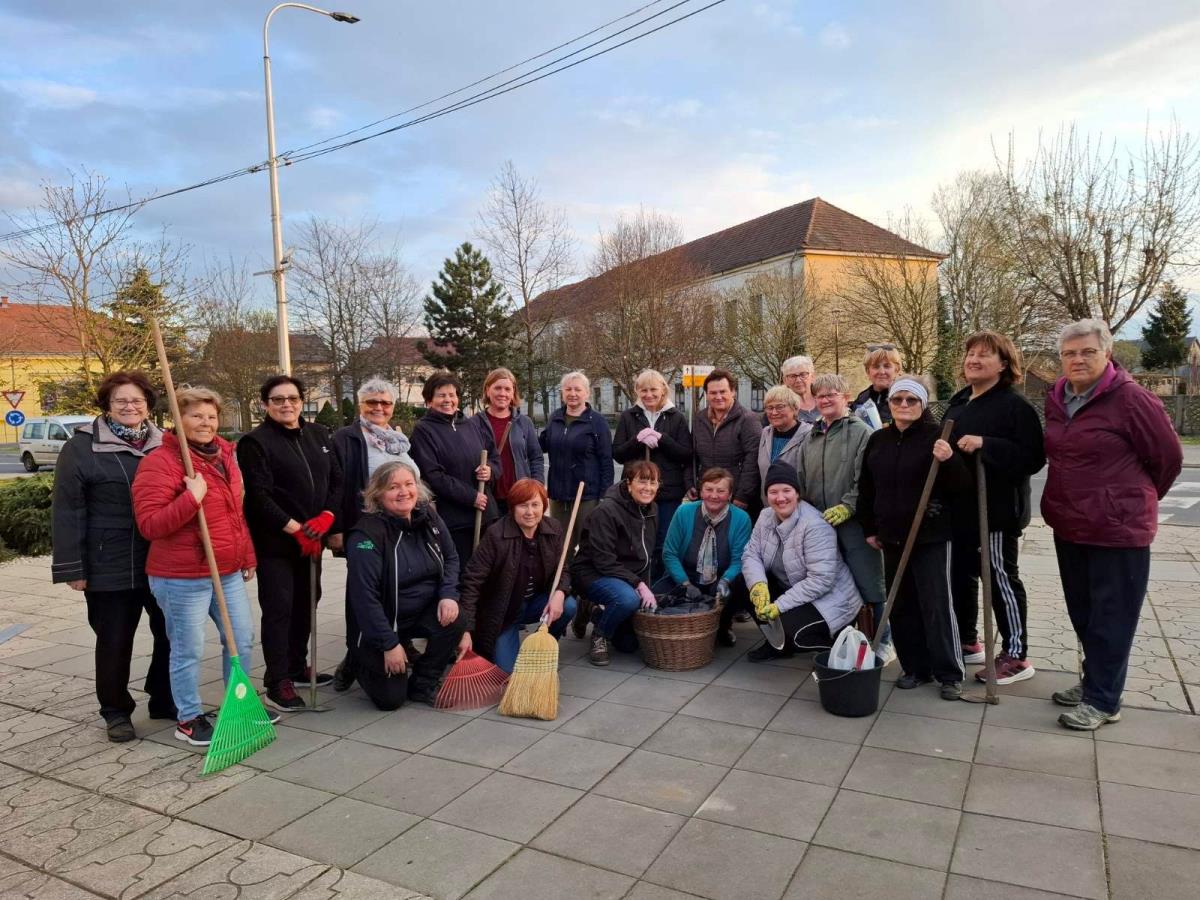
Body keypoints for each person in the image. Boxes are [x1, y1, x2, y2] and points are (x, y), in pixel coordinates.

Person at [1043, 319, 1182, 730]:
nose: (1078, 359)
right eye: (1070, 353)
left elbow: (1168, 458)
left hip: (1118, 529)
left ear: (1107, 352)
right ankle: (1094, 682)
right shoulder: (1058, 398)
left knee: (1112, 616)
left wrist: (1128, 500)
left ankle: (1105, 700)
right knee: (1083, 612)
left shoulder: (1132, 399)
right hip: (1070, 523)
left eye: (1087, 351)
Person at [51, 371, 173, 742]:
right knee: (114, 639)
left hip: (162, 557)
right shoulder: (81, 447)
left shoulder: (166, 444)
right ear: (106, 405)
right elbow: (68, 509)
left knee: (171, 632)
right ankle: (116, 710)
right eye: (120, 400)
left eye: (137, 400)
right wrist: (73, 567)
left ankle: (164, 696)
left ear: (148, 405)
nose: (129, 406)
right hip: (108, 561)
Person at [131, 387, 258, 746]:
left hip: (227, 569)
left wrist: (246, 554)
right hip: (182, 576)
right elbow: (150, 525)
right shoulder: (161, 462)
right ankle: (188, 717)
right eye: (196, 416)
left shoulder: (226, 455)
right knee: (188, 649)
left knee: (242, 641)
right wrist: (192, 498)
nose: (205, 423)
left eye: (211, 416)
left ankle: (239, 705)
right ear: (178, 419)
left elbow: (236, 513)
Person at [944, 331, 1045, 685]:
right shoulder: (960, 402)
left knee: (1000, 579)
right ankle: (969, 641)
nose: (973, 360)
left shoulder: (1014, 406)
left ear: (1004, 364)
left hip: (996, 512)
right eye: (970, 353)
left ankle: (1016, 655)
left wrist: (988, 444)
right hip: (960, 510)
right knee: (961, 576)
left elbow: (1033, 457)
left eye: (984, 355)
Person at [237, 375, 343, 713]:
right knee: (280, 608)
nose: (287, 404)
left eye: (292, 398)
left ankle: (298, 666)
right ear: (265, 404)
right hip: (277, 543)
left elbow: (337, 480)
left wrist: (327, 517)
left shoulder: (318, 435)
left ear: (301, 400)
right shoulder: (256, 442)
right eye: (278, 399)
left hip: (313, 539)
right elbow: (258, 495)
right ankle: (277, 680)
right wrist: (295, 528)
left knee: (308, 602)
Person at [858, 376, 967, 700]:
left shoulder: (939, 437)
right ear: (889, 404)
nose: (904, 405)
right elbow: (867, 487)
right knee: (901, 605)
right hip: (891, 536)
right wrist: (870, 528)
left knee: (936, 604)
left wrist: (949, 459)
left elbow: (961, 485)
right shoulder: (878, 440)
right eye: (897, 400)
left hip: (930, 536)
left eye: (911, 400)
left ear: (923, 404)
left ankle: (949, 672)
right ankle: (915, 667)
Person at [344, 461, 463, 709]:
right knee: (391, 700)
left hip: (419, 612)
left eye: (409, 484)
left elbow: (451, 557)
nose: (404, 492)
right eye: (393, 487)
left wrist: (449, 594)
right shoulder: (365, 536)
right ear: (377, 493)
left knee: (456, 618)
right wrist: (389, 643)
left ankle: (424, 682)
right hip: (381, 623)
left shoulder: (428, 516)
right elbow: (364, 598)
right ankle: (357, 660)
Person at [328, 377, 420, 693]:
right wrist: (337, 528)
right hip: (365, 527)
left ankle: (401, 641)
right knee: (362, 593)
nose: (379, 408)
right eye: (372, 403)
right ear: (361, 405)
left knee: (398, 587)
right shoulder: (347, 438)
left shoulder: (399, 439)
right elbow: (337, 484)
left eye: (385, 403)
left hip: (403, 529)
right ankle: (353, 657)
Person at [798, 373, 891, 659]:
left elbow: (866, 478)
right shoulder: (811, 436)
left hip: (854, 524)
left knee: (870, 581)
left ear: (846, 397)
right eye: (820, 395)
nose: (825, 400)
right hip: (820, 525)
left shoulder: (861, 432)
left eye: (831, 394)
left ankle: (884, 640)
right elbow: (802, 478)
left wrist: (847, 506)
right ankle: (842, 639)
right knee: (831, 582)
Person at [740, 461, 862, 661]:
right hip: (793, 587)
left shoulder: (814, 524)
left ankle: (841, 647)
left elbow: (821, 581)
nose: (780, 498)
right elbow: (751, 554)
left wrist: (779, 606)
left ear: (797, 493)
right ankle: (776, 644)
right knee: (742, 585)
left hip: (831, 599)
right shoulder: (765, 516)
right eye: (773, 492)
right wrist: (758, 585)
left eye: (786, 490)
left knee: (794, 635)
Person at [458, 478, 578, 672]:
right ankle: (505, 644)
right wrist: (465, 629)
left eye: (535, 505)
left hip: (536, 603)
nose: (530, 512)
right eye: (523, 506)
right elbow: (472, 582)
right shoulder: (496, 535)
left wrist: (560, 592)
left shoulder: (553, 528)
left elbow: (562, 568)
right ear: (512, 508)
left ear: (544, 506)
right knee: (506, 671)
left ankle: (543, 645)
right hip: (503, 612)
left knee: (569, 605)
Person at [541, 370, 613, 638]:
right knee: (560, 554)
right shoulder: (555, 418)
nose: (572, 394)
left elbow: (606, 461)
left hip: (587, 496)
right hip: (559, 495)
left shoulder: (596, 423)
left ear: (586, 393)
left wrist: (605, 497)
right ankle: (561, 607)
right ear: (563, 393)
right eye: (568, 389)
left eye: (577, 390)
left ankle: (586, 608)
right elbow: (544, 446)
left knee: (588, 553)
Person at [571, 460, 660, 666]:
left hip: (624, 577)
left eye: (653, 483)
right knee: (627, 600)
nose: (648, 488)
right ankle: (599, 635)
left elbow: (646, 556)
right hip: (592, 572)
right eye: (642, 482)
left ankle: (594, 611)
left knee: (628, 645)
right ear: (628, 483)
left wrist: (646, 588)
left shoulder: (652, 509)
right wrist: (638, 585)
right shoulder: (607, 511)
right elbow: (604, 560)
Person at [409, 370, 500, 569]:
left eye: (452, 395)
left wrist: (490, 471)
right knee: (464, 575)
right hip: (456, 519)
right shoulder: (423, 431)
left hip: (487, 514)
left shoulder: (472, 424)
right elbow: (433, 475)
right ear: (429, 400)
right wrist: (471, 497)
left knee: (490, 573)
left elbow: (494, 457)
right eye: (441, 395)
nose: (448, 400)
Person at [655, 467, 752, 647]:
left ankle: (723, 625)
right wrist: (685, 583)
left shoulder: (741, 519)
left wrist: (726, 580)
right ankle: (678, 628)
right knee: (656, 596)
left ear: (730, 494)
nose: (714, 495)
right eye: (708, 489)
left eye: (721, 491)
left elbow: (740, 559)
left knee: (736, 588)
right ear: (701, 491)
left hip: (720, 578)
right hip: (686, 575)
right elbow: (669, 553)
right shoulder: (684, 512)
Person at [612, 368, 692, 579]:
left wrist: (662, 439)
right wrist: (637, 439)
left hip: (667, 491)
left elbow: (685, 453)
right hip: (635, 491)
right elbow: (618, 453)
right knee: (635, 542)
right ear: (637, 391)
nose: (648, 395)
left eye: (653, 390)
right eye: (643, 390)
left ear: (663, 390)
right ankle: (637, 583)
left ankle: (662, 585)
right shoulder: (629, 417)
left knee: (664, 541)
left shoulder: (676, 417)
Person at [470, 368, 544, 514]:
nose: (502, 393)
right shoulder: (474, 424)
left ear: (513, 393)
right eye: (497, 388)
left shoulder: (524, 422)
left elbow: (536, 458)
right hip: (488, 499)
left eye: (507, 389)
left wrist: (537, 487)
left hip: (520, 498)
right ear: (487, 390)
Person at [690, 369, 760, 513]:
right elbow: (692, 456)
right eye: (713, 393)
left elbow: (753, 460)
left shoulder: (748, 420)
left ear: (733, 391)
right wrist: (691, 484)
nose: (718, 396)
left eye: (723, 391)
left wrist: (742, 495)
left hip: (736, 498)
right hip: (708, 495)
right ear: (707, 395)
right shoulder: (699, 419)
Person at [756, 384, 812, 504]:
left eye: (780, 407)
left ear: (795, 408)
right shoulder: (765, 433)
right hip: (769, 507)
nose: (774, 412)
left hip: (799, 508)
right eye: (769, 408)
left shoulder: (809, 435)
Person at [851, 345, 902, 427]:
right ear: (868, 371)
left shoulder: (907, 398)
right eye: (876, 366)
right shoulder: (861, 399)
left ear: (896, 370)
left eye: (887, 366)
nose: (881, 372)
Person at [781, 355, 821, 424]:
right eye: (792, 376)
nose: (798, 380)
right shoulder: (780, 408)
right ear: (785, 380)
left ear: (813, 377)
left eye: (803, 374)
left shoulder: (825, 402)